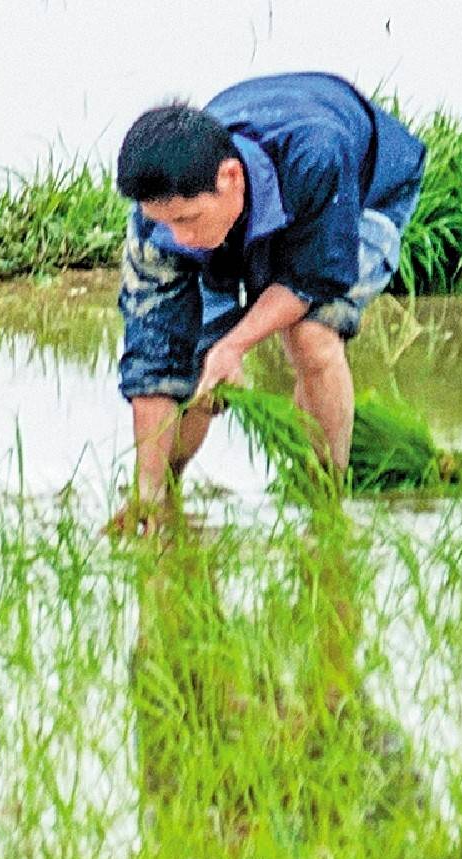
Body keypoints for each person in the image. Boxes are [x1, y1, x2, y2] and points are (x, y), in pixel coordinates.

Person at [113, 68, 427, 520]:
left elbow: (316, 278)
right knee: (198, 362)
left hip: (360, 196)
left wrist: (235, 344)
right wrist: (147, 495)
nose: (177, 239)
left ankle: (325, 497)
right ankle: (164, 494)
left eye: (188, 220)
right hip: (252, 208)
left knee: (311, 333)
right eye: (165, 223)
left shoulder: (316, 157)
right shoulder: (158, 226)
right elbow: (153, 360)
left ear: (230, 177)